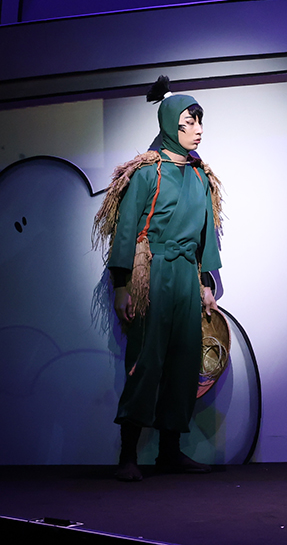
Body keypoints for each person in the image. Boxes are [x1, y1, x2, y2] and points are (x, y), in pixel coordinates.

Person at [93, 76, 223, 481]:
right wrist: (122, 285)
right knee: (147, 359)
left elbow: (205, 234)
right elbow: (126, 230)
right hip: (152, 271)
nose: (198, 130)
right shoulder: (148, 173)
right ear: (170, 125)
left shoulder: (200, 176)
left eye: (200, 122)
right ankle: (128, 455)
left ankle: (170, 451)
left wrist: (205, 283)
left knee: (184, 361)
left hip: (186, 274)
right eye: (189, 122)